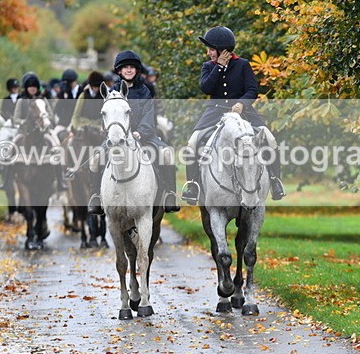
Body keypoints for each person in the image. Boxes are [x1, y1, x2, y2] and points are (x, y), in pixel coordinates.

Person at [181, 26, 286, 204]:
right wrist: (219, 67)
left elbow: (252, 90)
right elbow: (206, 88)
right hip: (215, 111)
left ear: (222, 50)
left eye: (211, 49)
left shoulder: (243, 65)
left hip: (244, 112)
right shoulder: (208, 66)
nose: (208, 53)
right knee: (193, 142)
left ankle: (275, 181)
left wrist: (242, 104)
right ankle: (193, 185)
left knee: (270, 139)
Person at [86, 51, 180, 215]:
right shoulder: (112, 91)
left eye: (132, 67)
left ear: (136, 70)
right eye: (125, 67)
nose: (128, 70)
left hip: (144, 136)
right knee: (95, 158)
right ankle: (96, 196)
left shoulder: (145, 91)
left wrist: (140, 132)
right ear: (119, 70)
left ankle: (170, 194)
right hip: (117, 138)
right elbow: (107, 115)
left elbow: (148, 116)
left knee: (167, 154)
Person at [13, 72, 68, 192]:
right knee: (11, 147)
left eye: (34, 86)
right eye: (30, 87)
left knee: (57, 147)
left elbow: (51, 116)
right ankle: (8, 178)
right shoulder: (21, 101)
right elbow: (15, 118)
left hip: (44, 131)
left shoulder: (43, 100)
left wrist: (44, 120)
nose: (32, 89)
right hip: (24, 131)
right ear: (26, 88)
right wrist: (24, 122)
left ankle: (60, 181)